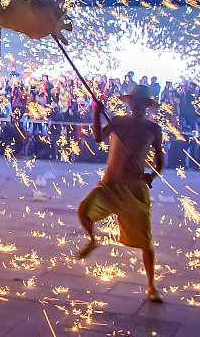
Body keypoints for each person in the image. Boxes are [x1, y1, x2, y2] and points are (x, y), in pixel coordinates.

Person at [77, 84, 164, 303]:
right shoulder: (117, 121)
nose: (137, 107)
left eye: (141, 104)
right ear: (129, 104)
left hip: (135, 190)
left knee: (146, 242)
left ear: (147, 106)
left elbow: (160, 160)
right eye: (133, 103)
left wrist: (151, 176)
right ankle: (92, 240)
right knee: (84, 211)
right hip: (110, 185)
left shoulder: (153, 130)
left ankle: (152, 285)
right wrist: (97, 114)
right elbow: (98, 137)